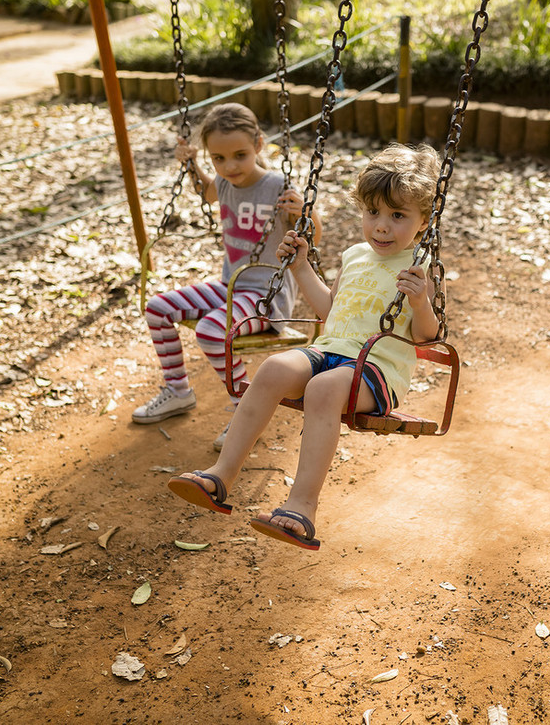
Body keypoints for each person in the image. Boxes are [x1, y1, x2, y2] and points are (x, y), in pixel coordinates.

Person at [167, 143, 442, 550]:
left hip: (375, 371)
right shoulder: (354, 256)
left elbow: (426, 337)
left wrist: (420, 303)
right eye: (373, 213)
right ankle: (220, 477)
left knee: (323, 389)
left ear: (423, 221)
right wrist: (300, 266)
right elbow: (330, 310)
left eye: (397, 216)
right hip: (329, 352)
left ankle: (301, 507)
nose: (382, 226)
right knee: (275, 367)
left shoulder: (419, 266)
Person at [132, 103, 317, 450]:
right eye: (218, 158)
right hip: (230, 286)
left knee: (211, 330)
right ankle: (177, 391)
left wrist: (308, 215)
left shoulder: (278, 185)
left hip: (265, 296)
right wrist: (192, 165)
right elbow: (206, 191)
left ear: (259, 145)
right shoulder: (224, 180)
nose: (229, 166)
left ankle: (246, 411)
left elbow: (311, 239)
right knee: (158, 308)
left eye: (239, 155)